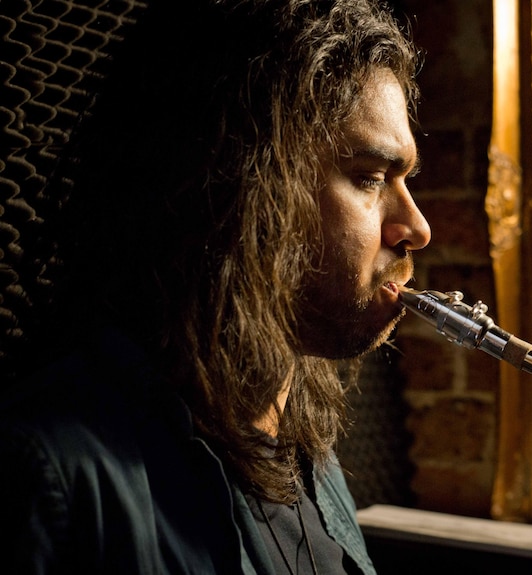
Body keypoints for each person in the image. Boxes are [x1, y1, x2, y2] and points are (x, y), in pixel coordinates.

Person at [0, 1, 430, 573]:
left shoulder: (308, 456)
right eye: (370, 179)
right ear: (240, 189)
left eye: (405, 179)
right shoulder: (47, 470)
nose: (417, 229)